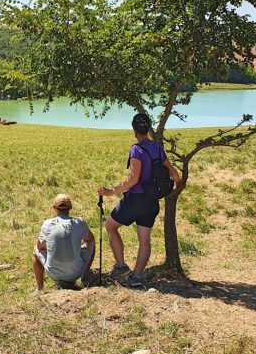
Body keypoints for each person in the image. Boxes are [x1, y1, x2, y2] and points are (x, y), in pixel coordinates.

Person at [98, 112, 181, 288]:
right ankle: (136, 277)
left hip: (135, 200)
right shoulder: (158, 147)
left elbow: (134, 179)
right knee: (144, 240)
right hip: (152, 202)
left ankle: (121, 266)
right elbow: (173, 173)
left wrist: (110, 192)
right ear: (148, 128)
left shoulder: (136, 150)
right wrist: (176, 188)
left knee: (111, 226)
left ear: (134, 130)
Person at [33, 194, 96, 291]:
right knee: (91, 242)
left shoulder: (47, 224)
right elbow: (90, 239)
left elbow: (40, 246)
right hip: (76, 273)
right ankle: (85, 276)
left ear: (54, 207)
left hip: (53, 273)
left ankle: (40, 288)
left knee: (35, 250)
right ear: (70, 207)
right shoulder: (79, 222)